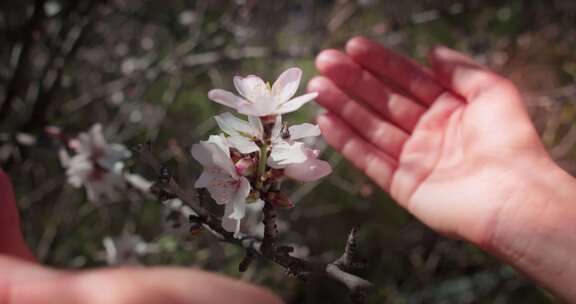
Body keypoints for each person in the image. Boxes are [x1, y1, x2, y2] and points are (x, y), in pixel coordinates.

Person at [1, 36, 575, 303]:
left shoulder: (273, 143)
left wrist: (527, 208)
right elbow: (223, 173)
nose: (265, 100)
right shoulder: (241, 150)